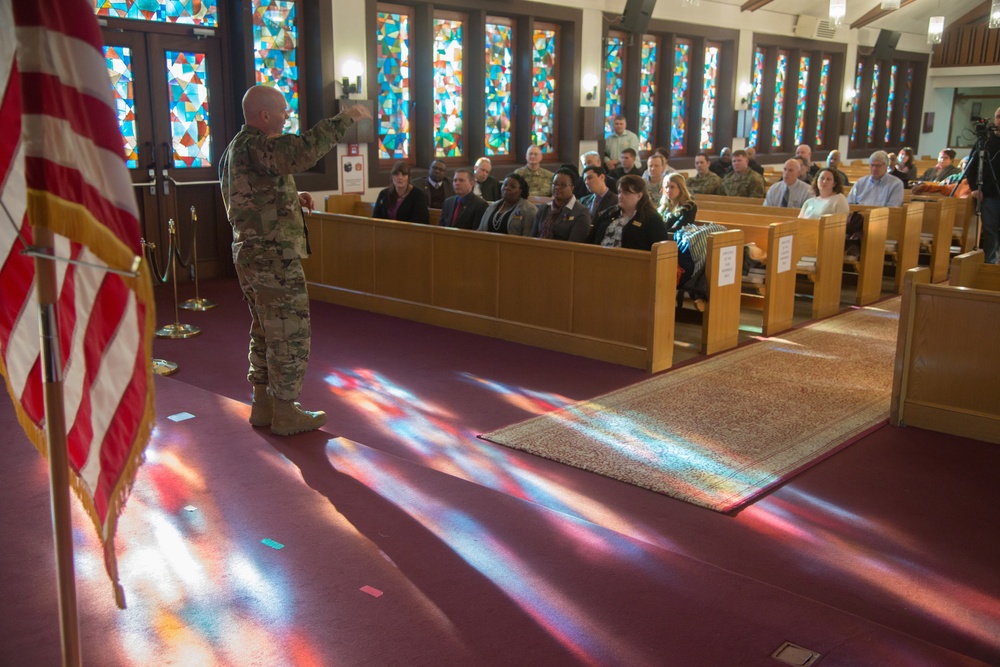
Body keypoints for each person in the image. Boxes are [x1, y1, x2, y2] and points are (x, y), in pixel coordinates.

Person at [219, 85, 370, 435]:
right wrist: (345, 118)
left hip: (249, 254)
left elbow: (251, 195)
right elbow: (302, 152)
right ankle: (286, 412)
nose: (288, 117)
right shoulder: (260, 144)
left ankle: (263, 404)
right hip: (273, 258)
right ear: (265, 115)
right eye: (284, 111)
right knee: (290, 333)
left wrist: (289, 197)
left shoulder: (237, 149)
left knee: (264, 329)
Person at [588, 174, 668, 250]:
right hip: (599, 259)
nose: (620, 196)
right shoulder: (609, 213)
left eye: (626, 193)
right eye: (619, 192)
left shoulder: (651, 219)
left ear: (639, 196)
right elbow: (590, 240)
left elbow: (660, 250)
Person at [966, 106, 1000, 263]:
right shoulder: (985, 141)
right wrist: (974, 188)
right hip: (990, 195)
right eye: (998, 116)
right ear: (994, 119)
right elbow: (971, 167)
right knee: (990, 230)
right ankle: (990, 263)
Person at [530, 167, 591, 242]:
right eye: (555, 184)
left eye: (563, 185)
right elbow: (532, 238)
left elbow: (574, 246)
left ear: (572, 187)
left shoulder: (581, 212)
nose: (557, 187)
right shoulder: (544, 208)